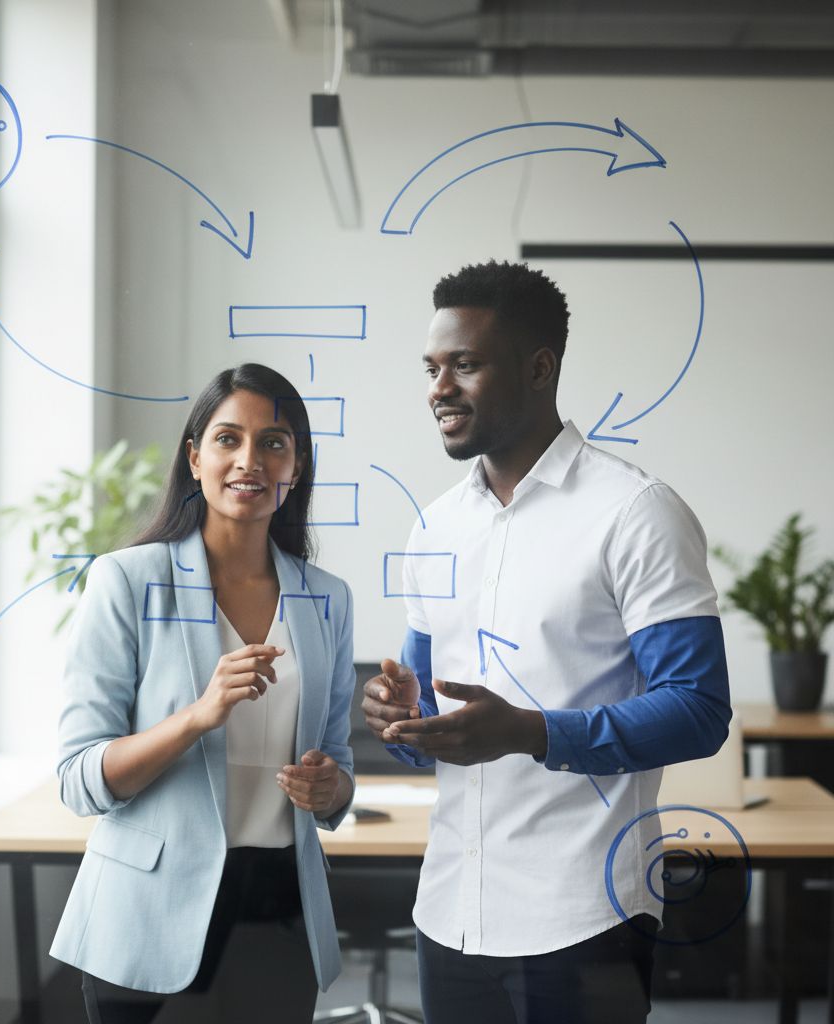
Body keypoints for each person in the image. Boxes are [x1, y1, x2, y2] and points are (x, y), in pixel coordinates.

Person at [361, 260, 731, 1024]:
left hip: (583, 914)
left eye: (464, 365)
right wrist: (401, 719)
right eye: (432, 368)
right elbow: (429, 722)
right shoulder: (436, 525)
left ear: (539, 369)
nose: (438, 388)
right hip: (450, 913)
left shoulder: (637, 513)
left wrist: (529, 733)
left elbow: (699, 708)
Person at [50, 363, 356, 1024]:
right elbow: (79, 779)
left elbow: (339, 768)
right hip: (147, 918)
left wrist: (332, 788)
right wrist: (198, 716)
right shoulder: (127, 582)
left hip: (280, 914)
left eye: (274, 442)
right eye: (228, 439)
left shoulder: (328, 598)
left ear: (296, 466)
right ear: (195, 458)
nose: (251, 459)